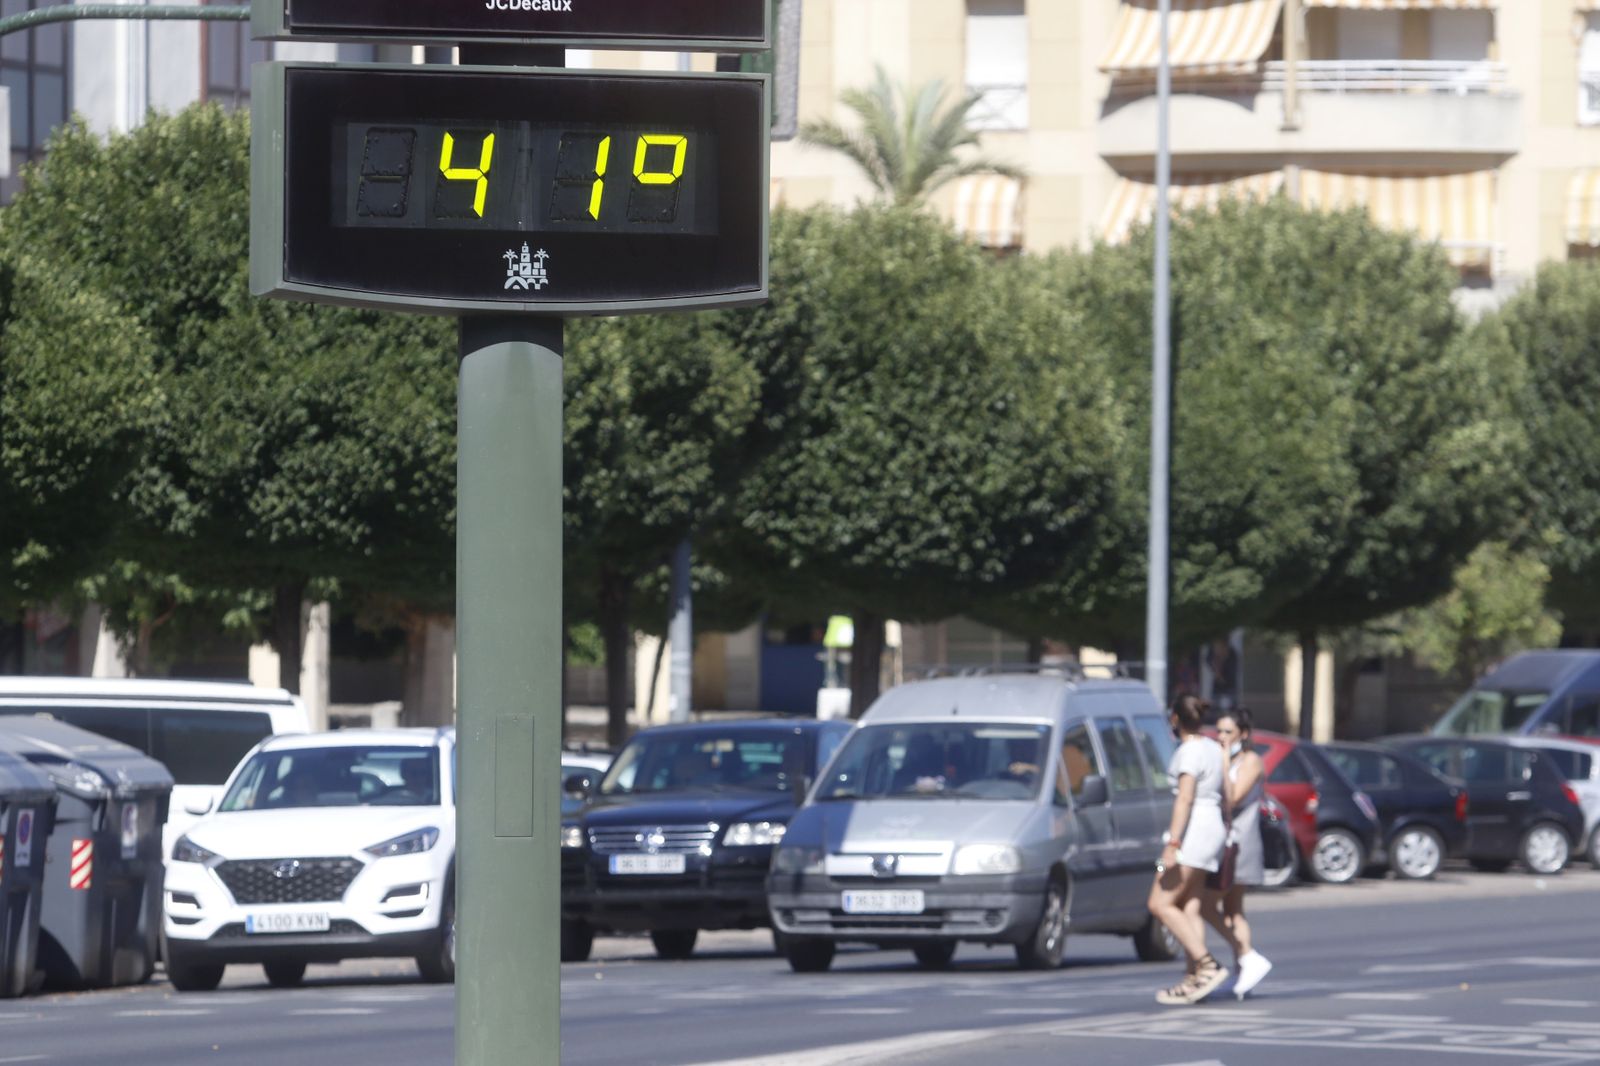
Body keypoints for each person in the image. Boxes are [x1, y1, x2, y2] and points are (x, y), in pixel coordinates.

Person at [1147, 693, 1229, 1005]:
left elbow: (1184, 798)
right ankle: (1193, 978)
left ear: (1175, 719)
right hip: (1212, 831)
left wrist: (1172, 845)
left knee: (1160, 903)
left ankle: (1207, 965)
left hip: (1192, 834)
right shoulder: (1211, 747)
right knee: (1189, 906)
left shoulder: (1189, 752)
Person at [1195, 708, 1274, 999]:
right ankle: (1244, 971)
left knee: (1207, 904)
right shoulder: (1225, 758)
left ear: (1244, 733)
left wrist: (1224, 760)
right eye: (1219, 731)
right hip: (1223, 843)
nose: (1222, 737)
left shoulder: (1251, 761)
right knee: (1232, 910)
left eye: (1228, 732)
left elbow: (1232, 799)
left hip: (1240, 843)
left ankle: (1247, 955)